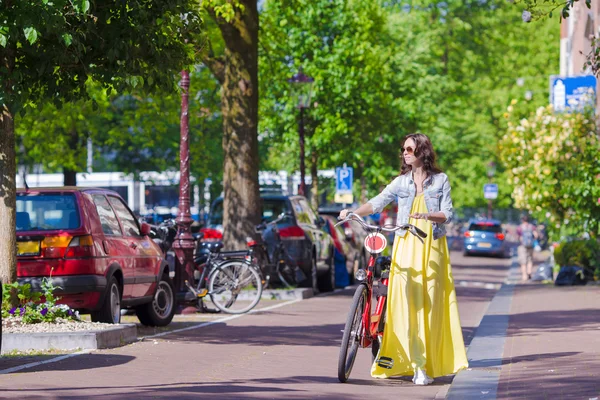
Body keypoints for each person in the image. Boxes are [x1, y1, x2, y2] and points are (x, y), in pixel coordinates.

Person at [339, 133, 468, 385]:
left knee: (429, 305)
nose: (405, 153)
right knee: (405, 304)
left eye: (410, 149)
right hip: (405, 245)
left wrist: (428, 216)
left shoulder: (440, 180)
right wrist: (352, 212)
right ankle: (411, 362)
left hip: (431, 247)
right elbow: (378, 202)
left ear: (422, 152)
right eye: (403, 149)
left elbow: (448, 213)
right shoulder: (401, 182)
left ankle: (425, 365)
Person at [517, 215, 538, 281]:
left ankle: (524, 275)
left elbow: (519, 237)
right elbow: (536, 235)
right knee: (530, 260)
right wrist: (532, 241)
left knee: (523, 261)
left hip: (522, 246)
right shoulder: (532, 227)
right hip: (530, 245)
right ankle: (529, 272)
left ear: (522, 220)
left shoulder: (520, 227)